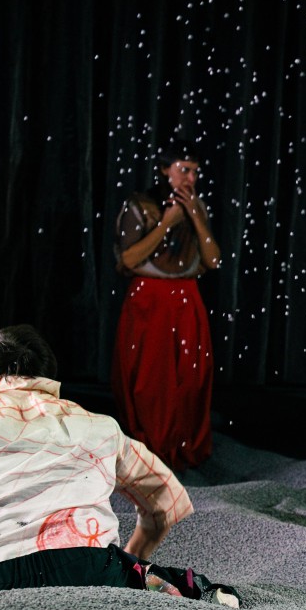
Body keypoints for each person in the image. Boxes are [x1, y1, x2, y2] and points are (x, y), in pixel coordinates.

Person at [0, 325, 237, 605]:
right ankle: (207, 595)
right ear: (49, 375)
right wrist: (133, 558)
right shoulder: (99, 426)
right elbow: (166, 499)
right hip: (90, 565)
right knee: (179, 584)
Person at [111, 140, 221, 472]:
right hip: (150, 298)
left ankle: (183, 444)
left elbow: (213, 260)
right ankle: (151, 446)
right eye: (184, 170)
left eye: (195, 172)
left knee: (190, 376)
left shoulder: (197, 207)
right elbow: (128, 260)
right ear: (164, 169)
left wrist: (196, 218)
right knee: (150, 377)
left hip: (186, 297)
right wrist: (166, 224)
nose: (191, 179)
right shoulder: (140, 204)